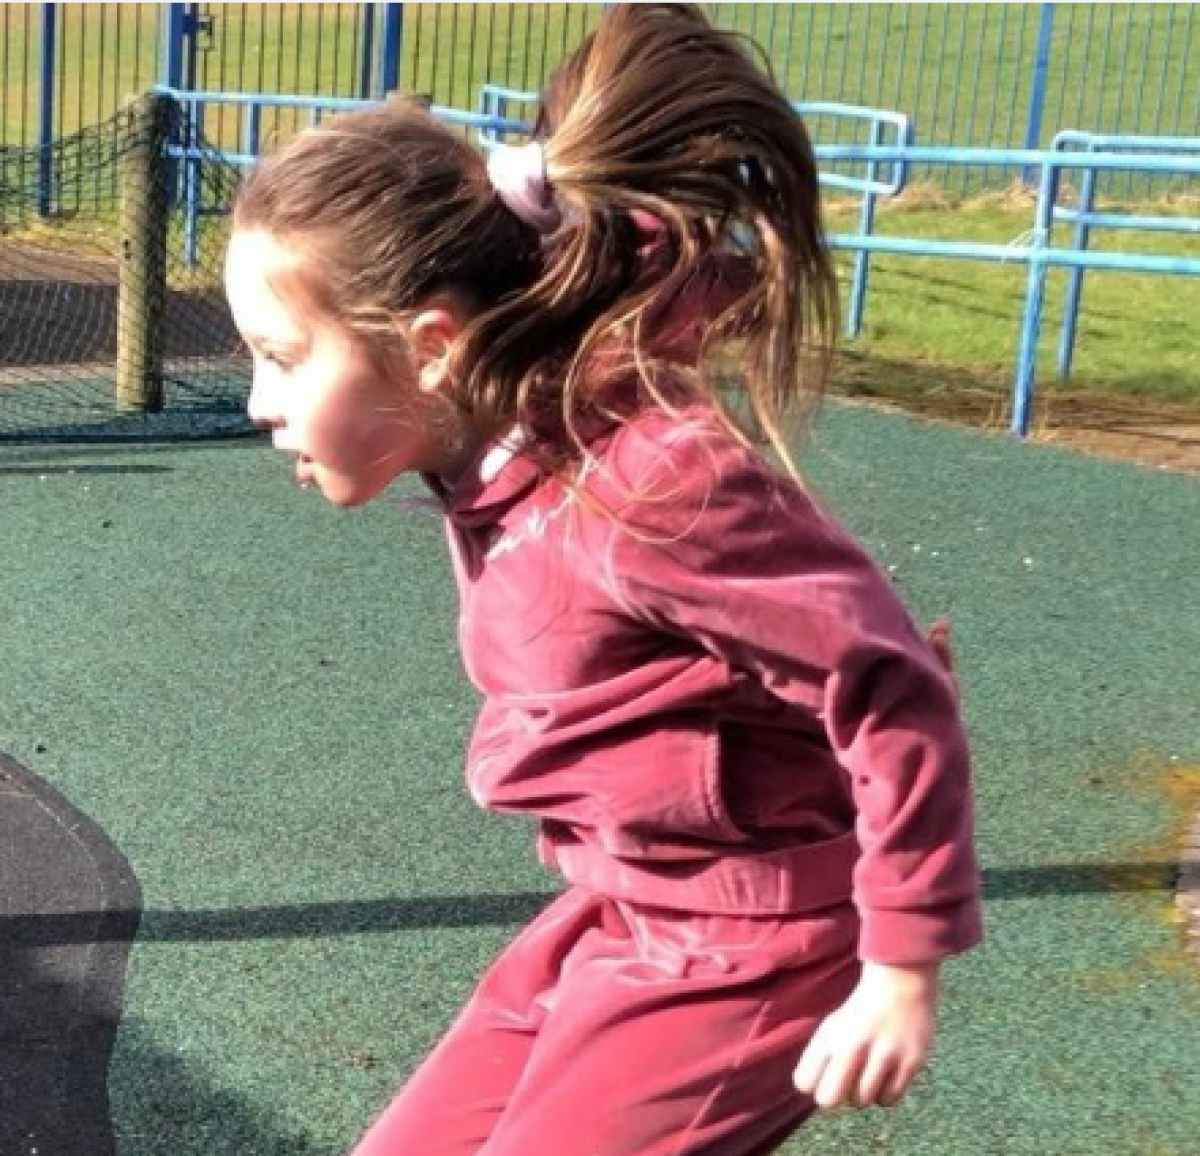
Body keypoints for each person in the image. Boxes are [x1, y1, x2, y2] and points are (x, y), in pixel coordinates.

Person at [223, 6, 983, 1154]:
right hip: (625, 908)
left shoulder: (657, 485)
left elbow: (892, 683)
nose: (257, 403)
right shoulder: (493, 455)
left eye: (282, 358)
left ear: (431, 346)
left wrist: (900, 964)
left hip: (755, 944)